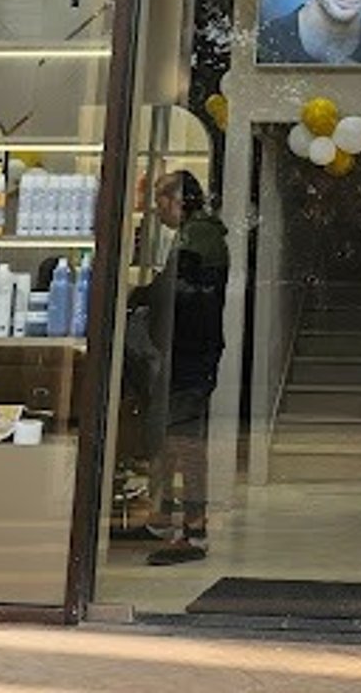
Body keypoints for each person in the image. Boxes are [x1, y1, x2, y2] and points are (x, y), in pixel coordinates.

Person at [132, 170, 230, 566]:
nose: (157, 211)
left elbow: (181, 290)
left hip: (191, 353)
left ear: (180, 201)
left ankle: (193, 530)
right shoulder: (198, 234)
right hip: (188, 350)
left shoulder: (198, 237)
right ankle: (163, 519)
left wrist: (143, 294)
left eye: (161, 203)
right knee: (172, 434)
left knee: (185, 440)